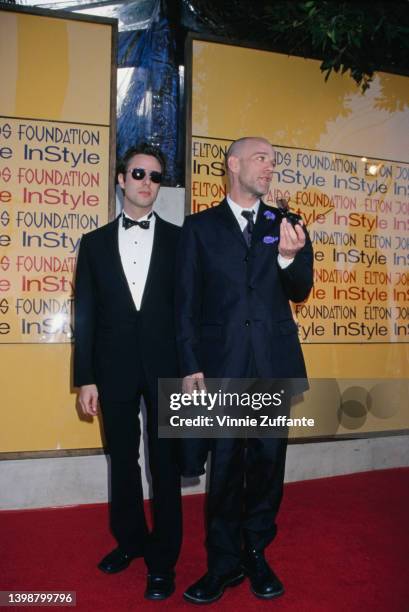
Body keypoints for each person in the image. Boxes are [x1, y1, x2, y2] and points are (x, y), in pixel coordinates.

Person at [175, 137, 313, 604]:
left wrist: (290, 257)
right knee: (227, 468)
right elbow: (185, 305)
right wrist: (190, 364)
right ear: (233, 165)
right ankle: (222, 564)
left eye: (274, 160)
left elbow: (300, 291)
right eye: (261, 158)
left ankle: (256, 549)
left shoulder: (285, 224)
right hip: (223, 367)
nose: (270, 167)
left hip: (272, 363)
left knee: (268, 467)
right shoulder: (197, 228)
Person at [74, 143, 181, 601]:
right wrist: (85, 377)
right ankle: (130, 541)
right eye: (138, 174)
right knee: (123, 461)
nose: (146, 183)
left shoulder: (181, 240)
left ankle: (164, 561)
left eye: (156, 177)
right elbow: (86, 315)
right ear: (121, 179)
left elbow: (190, 311)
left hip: (168, 367)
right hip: (112, 368)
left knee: (166, 466)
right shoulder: (94, 243)